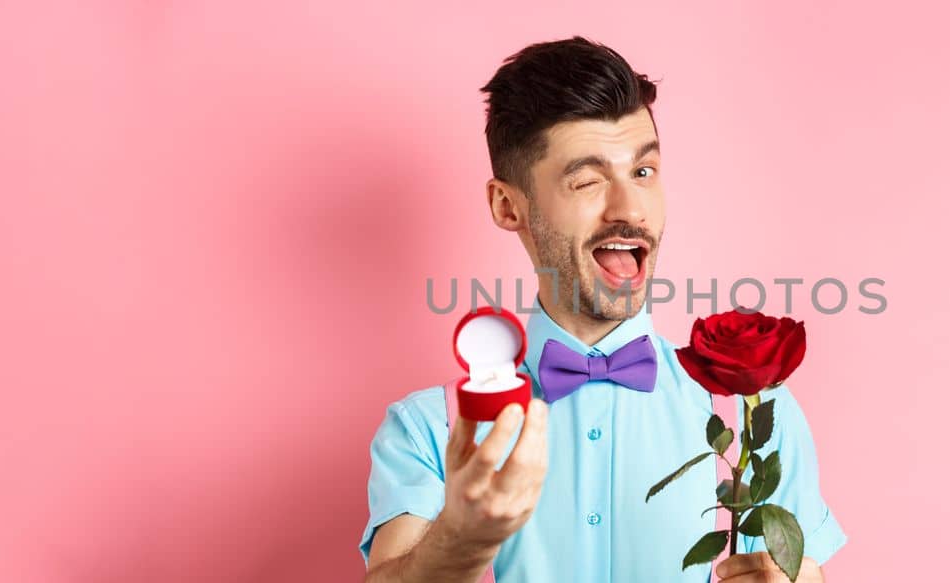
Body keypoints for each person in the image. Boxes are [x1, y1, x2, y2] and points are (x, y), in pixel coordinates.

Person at [360, 36, 845, 582]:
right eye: (588, 180)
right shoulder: (429, 428)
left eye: (643, 173)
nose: (630, 209)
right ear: (507, 205)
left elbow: (798, 573)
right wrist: (466, 539)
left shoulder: (752, 414)